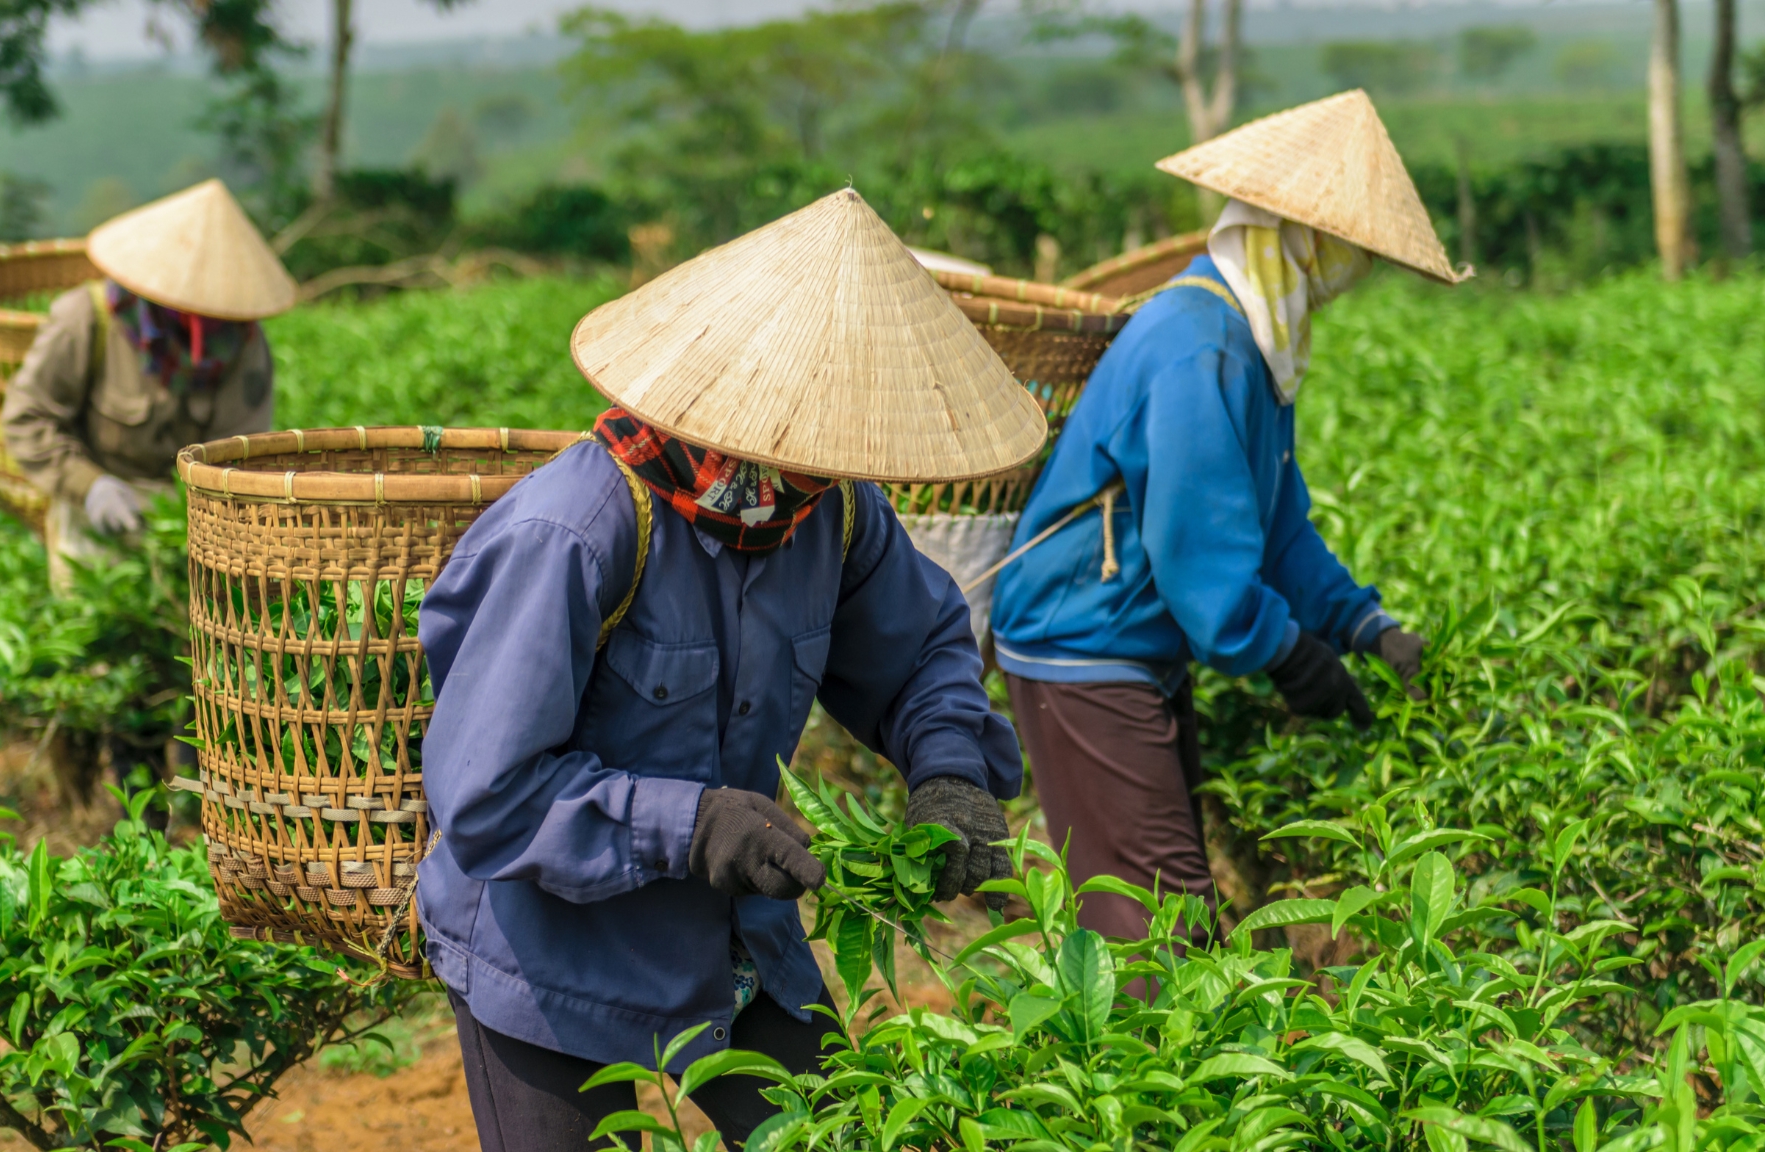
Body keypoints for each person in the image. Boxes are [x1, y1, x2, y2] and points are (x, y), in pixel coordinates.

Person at [416, 189, 1034, 1152]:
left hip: (739, 947)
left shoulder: (828, 512)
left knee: (859, 1136)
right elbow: (486, 795)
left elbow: (919, 654)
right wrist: (689, 821)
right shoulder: (579, 530)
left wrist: (951, 770)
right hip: (552, 969)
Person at [988, 90, 1463, 942]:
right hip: (1082, 651)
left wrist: (1363, 624)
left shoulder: (1250, 335)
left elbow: (1276, 525)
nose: (1353, 270)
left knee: (1162, 909)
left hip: (1130, 646)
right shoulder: (1199, 342)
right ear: (1299, 235)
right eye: (1349, 247)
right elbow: (1201, 564)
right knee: (1160, 931)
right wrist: (1287, 652)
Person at [2, 177, 296, 596]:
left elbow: (243, 455)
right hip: (97, 508)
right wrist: (91, 487)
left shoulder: (241, 347)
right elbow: (26, 419)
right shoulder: (86, 320)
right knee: (98, 633)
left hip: (195, 523)